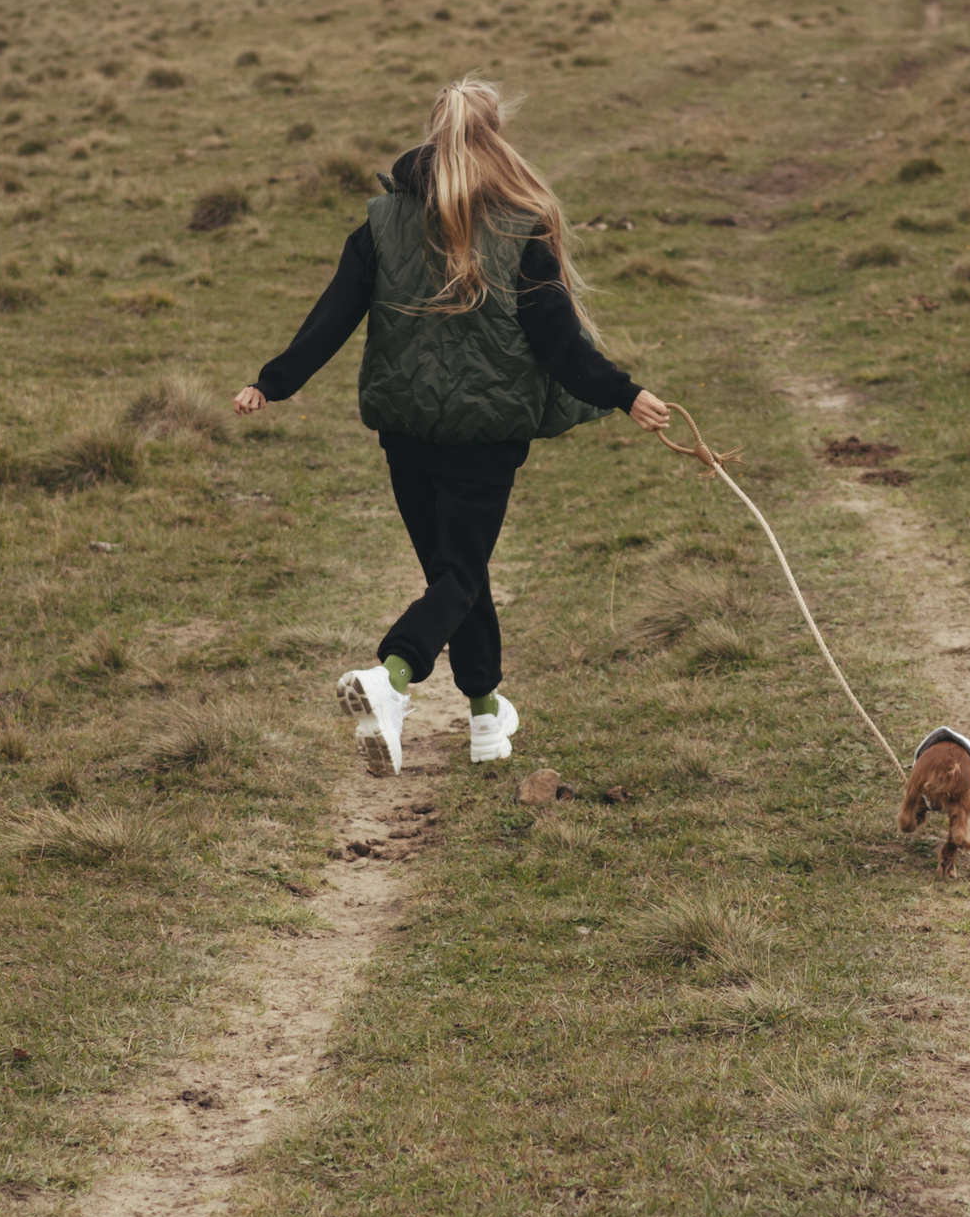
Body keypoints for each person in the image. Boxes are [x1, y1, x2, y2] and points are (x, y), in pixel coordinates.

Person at [234, 79, 669, 768]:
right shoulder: (522, 226)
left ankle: (486, 717)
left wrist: (273, 380)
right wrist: (625, 393)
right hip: (487, 436)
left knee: (455, 574)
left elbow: (332, 315)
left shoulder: (381, 222)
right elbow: (559, 344)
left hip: (405, 430)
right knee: (460, 575)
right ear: (495, 137)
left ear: (432, 137)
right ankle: (394, 677)